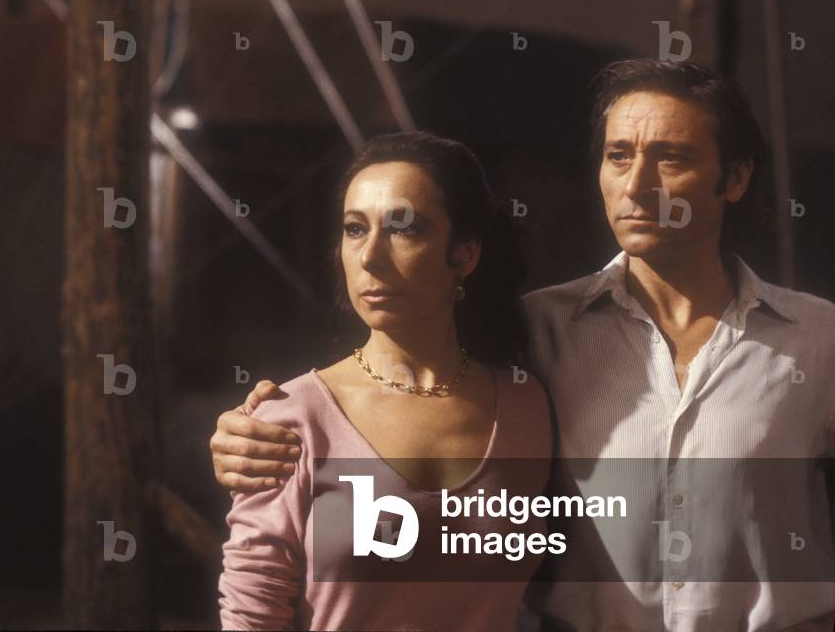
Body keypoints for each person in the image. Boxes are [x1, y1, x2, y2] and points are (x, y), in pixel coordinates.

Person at [210, 60, 835, 631]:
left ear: (735, 177)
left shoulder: (818, 339)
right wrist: (243, 433)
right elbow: (395, 381)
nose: (638, 184)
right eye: (618, 156)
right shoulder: (536, 331)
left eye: (669, 157)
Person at [217, 132, 552, 631]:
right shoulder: (292, 416)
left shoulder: (527, 405)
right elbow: (252, 611)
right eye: (355, 229)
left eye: (403, 229)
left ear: (464, 254)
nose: (370, 256)